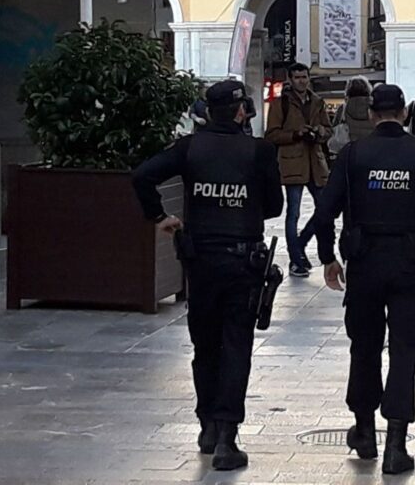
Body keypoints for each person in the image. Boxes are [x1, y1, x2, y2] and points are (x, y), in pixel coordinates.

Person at [132, 80, 284, 471]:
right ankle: (227, 437)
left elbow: (142, 175)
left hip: (200, 263)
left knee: (205, 345)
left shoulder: (189, 148)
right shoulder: (260, 151)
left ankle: (207, 427)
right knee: (236, 346)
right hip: (243, 262)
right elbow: (274, 206)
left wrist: (159, 216)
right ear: (241, 111)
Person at [314, 84, 415, 475]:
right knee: (404, 349)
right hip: (411, 265)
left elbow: (325, 210)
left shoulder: (353, 155)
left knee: (364, 346)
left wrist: (328, 258)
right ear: (404, 113)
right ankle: (396, 446)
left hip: (364, 263)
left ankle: (364, 431)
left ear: (370, 114)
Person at [265, 62, 332, 278]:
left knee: (325, 209)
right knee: (293, 212)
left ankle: (300, 244)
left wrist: (320, 131)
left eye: (304, 77)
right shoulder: (281, 104)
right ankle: (296, 259)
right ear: (290, 79)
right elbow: (271, 134)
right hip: (292, 162)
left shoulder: (317, 101)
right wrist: (296, 134)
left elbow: (328, 129)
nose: (302, 81)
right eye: (297, 77)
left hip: (315, 163)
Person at [334, 75, 375, 143]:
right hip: (371, 144)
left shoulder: (343, 108)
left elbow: (334, 127)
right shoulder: (374, 106)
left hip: (350, 145)